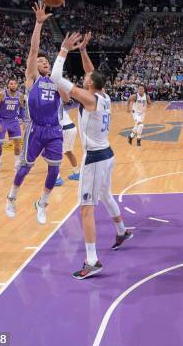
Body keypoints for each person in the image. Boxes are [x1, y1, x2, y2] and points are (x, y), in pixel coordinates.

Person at [51, 31, 133, 279]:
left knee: (86, 209)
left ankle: (92, 260)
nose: (85, 76)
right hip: (107, 154)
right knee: (105, 194)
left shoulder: (87, 98)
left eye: (86, 77)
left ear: (88, 84)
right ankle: (121, 230)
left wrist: (64, 49)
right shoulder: (103, 96)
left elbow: (56, 76)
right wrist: (84, 51)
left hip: (95, 158)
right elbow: (93, 72)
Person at [5, 3, 71, 224]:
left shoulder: (55, 80)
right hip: (35, 129)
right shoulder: (32, 78)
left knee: (54, 170)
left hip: (54, 129)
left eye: (47, 62)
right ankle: (12, 197)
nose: (44, 63)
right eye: (42, 62)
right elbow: (34, 50)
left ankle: (42, 203)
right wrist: (38, 24)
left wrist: (57, 79)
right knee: (25, 168)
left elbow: (67, 99)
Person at [0, 79, 25, 173]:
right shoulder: (2, 94)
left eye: (14, 84)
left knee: (17, 143)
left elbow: (22, 109)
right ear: (8, 85)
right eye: (11, 83)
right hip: (2, 120)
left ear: (17, 85)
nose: (13, 85)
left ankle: (17, 164)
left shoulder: (20, 95)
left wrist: (23, 121)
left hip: (14, 121)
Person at [54, 100, 80, 186]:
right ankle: (77, 173)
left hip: (63, 128)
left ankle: (57, 178)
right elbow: (73, 104)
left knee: (54, 153)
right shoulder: (59, 103)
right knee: (68, 151)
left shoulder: (50, 106)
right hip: (72, 128)